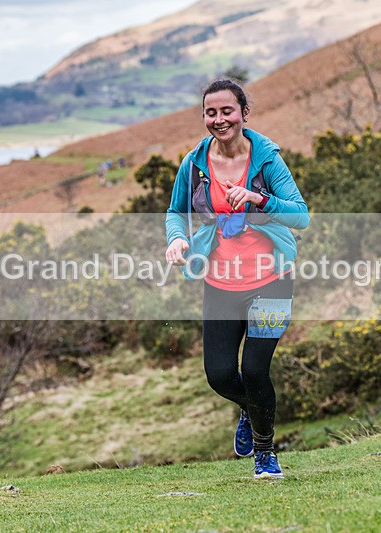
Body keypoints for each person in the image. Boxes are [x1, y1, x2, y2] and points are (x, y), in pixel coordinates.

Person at [165, 79, 309, 479]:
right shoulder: (194, 164)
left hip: (272, 281)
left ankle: (266, 453)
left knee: (257, 369)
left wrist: (258, 198)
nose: (218, 119)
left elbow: (301, 216)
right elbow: (176, 211)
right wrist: (177, 240)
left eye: (227, 111)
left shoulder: (267, 159)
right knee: (220, 375)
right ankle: (250, 408)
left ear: (244, 114)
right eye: (210, 112)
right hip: (221, 283)